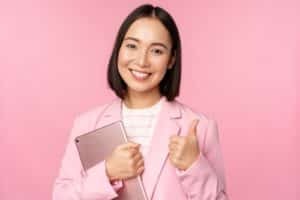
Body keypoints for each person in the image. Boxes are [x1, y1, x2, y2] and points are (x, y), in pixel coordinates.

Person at [53, 4, 229, 200]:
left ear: (171, 60)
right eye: (132, 46)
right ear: (118, 49)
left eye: (156, 51)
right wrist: (107, 173)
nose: (142, 61)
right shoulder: (86, 124)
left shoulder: (199, 128)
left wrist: (194, 167)